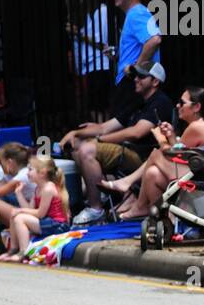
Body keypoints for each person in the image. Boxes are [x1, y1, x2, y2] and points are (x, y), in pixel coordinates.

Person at [62, 61, 174, 225]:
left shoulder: (160, 102)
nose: (136, 79)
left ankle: (96, 208)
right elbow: (105, 127)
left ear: (155, 81)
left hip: (143, 155)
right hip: (128, 151)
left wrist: (99, 140)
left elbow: (137, 132)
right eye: (135, 76)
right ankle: (100, 193)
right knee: (76, 144)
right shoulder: (138, 102)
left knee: (87, 149)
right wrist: (75, 133)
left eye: (141, 76)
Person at [99, 85, 204, 221]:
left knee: (157, 153)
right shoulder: (201, 124)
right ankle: (163, 220)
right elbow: (181, 151)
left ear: (196, 107)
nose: (178, 105)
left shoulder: (197, 127)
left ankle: (133, 193)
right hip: (193, 174)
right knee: (152, 173)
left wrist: (161, 139)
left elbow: (172, 153)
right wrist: (171, 135)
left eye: (182, 102)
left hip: (199, 182)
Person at [0, 156, 72, 262]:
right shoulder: (38, 188)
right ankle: (12, 250)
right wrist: (19, 194)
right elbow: (29, 209)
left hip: (57, 225)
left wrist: (21, 211)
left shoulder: (48, 188)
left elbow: (40, 214)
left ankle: (23, 253)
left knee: (19, 218)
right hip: (47, 222)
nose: (27, 173)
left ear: (42, 173)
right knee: (15, 215)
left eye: (30, 169)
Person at [108, 0, 162, 119]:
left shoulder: (137, 13)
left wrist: (135, 70)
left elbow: (154, 40)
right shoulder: (134, 14)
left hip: (132, 82)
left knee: (118, 128)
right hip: (132, 81)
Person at [0, 142, 35, 207]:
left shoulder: (23, 175)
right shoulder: (14, 172)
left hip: (30, 207)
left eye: (0, 162)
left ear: (9, 162)